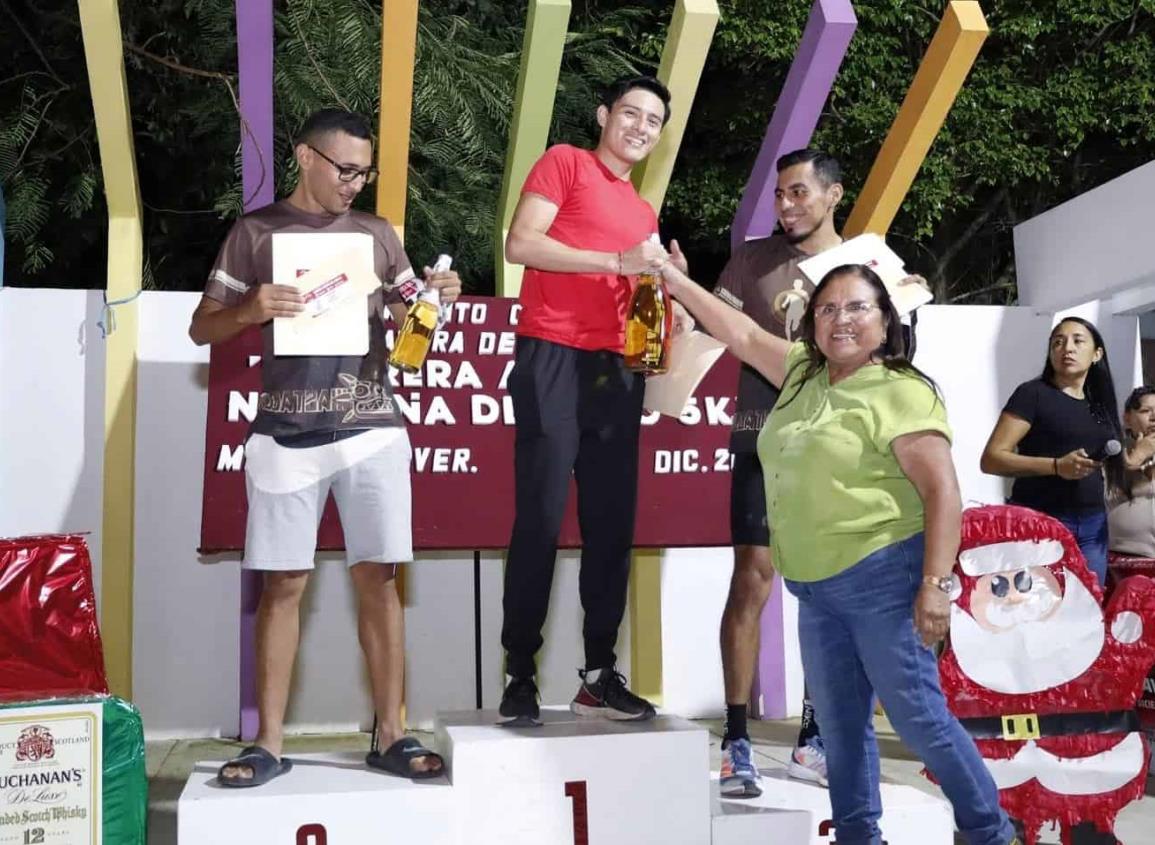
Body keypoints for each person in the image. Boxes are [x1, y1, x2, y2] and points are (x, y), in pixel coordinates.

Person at [659, 258, 1019, 845]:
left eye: (857, 307)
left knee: (919, 720)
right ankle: (857, 835)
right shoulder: (803, 372)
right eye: (827, 308)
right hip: (816, 589)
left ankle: (989, 832)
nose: (840, 319)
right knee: (842, 729)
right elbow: (744, 333)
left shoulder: (901, 390)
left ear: (885, 321)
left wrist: (934, 586)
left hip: (884, 579)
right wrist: (676, 282)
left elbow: (942, 491)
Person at [188, 108, 461, 786]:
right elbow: (201, 328)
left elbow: (409, 326)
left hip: (372, 425)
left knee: (379, 575)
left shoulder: (376, 234)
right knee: (283, 582)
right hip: (283, 430)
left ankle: (391, 732)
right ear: (305, 157)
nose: (354, 183)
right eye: (346, 169)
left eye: (363, 172)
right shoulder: (254, 232)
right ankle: (268, 743)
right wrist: (251, 308)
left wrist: (433, 299)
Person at [498, 75, 687, 725]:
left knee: (612, 526)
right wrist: (616, 260)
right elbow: (519, 243)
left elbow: (636, 296)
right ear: (603, 114)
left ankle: (598, 673)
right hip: (551, 353)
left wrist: (669, 302)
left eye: (652, 120)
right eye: (629, 112)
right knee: (542, 519)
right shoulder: (565, 162)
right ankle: (518, 670)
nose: (639, 125)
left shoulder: (643, 213)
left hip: (617, 371)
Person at [713, 149, 845, 796]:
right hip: (759, 440)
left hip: (836, 451)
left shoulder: (865, 267)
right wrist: (678, 291)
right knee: (752, 578)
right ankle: (735, 740)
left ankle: (814, 738)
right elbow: (709, 321)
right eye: (779, 194)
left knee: (825, 590)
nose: (787, 205)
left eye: (799, 192)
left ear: (832, 195)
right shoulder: (752, 258)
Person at [980, 317, 1123, 586]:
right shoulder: (1032, 394)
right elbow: (991, 459)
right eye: (1058, 342)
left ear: (1097, 354)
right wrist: (1056, 466)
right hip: (1042, 521)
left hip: (1093, 525)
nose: (1067, 348)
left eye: (1078, 341)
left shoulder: (1099, 403)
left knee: (1089, 606)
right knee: (1045, 610)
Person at [1107, 386, 1155, 560]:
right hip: (1124, 559)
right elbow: (1106, 496)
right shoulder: (1111, 455)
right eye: (1145, 411)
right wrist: (1138, 456)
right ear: (1127, 419)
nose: (1154, 418)